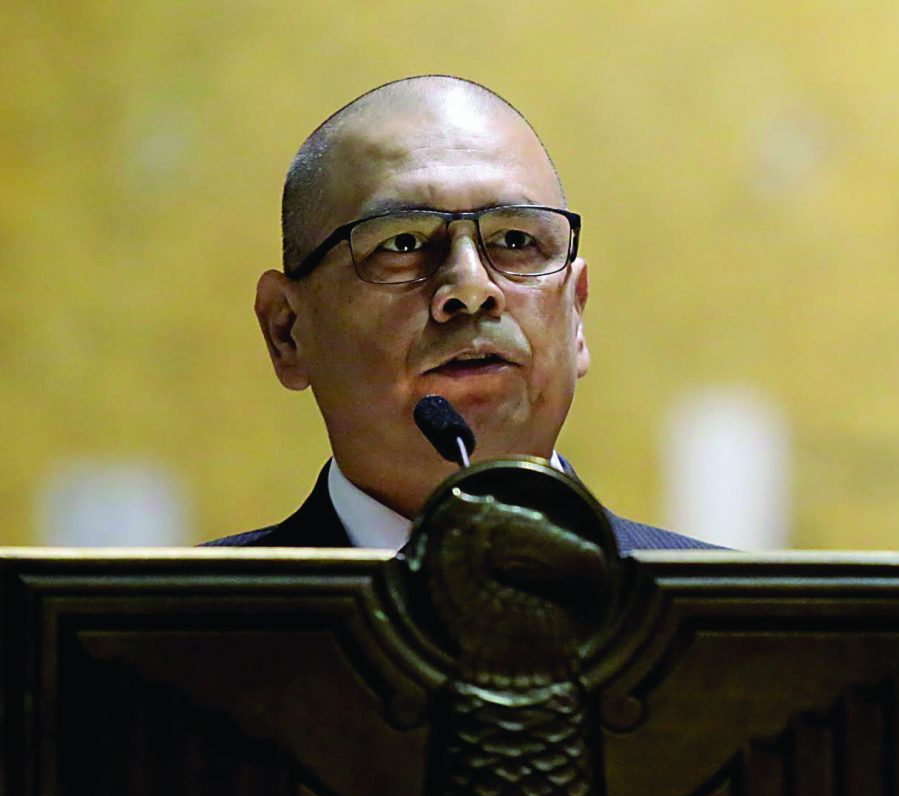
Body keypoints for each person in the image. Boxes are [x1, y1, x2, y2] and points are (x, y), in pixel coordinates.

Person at [208, 75, 713, 552]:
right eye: (401, 242)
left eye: (516, 240)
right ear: (287, 333)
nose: (471, 289)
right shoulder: (171, 630)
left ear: (576, 312)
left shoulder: (732, 623)